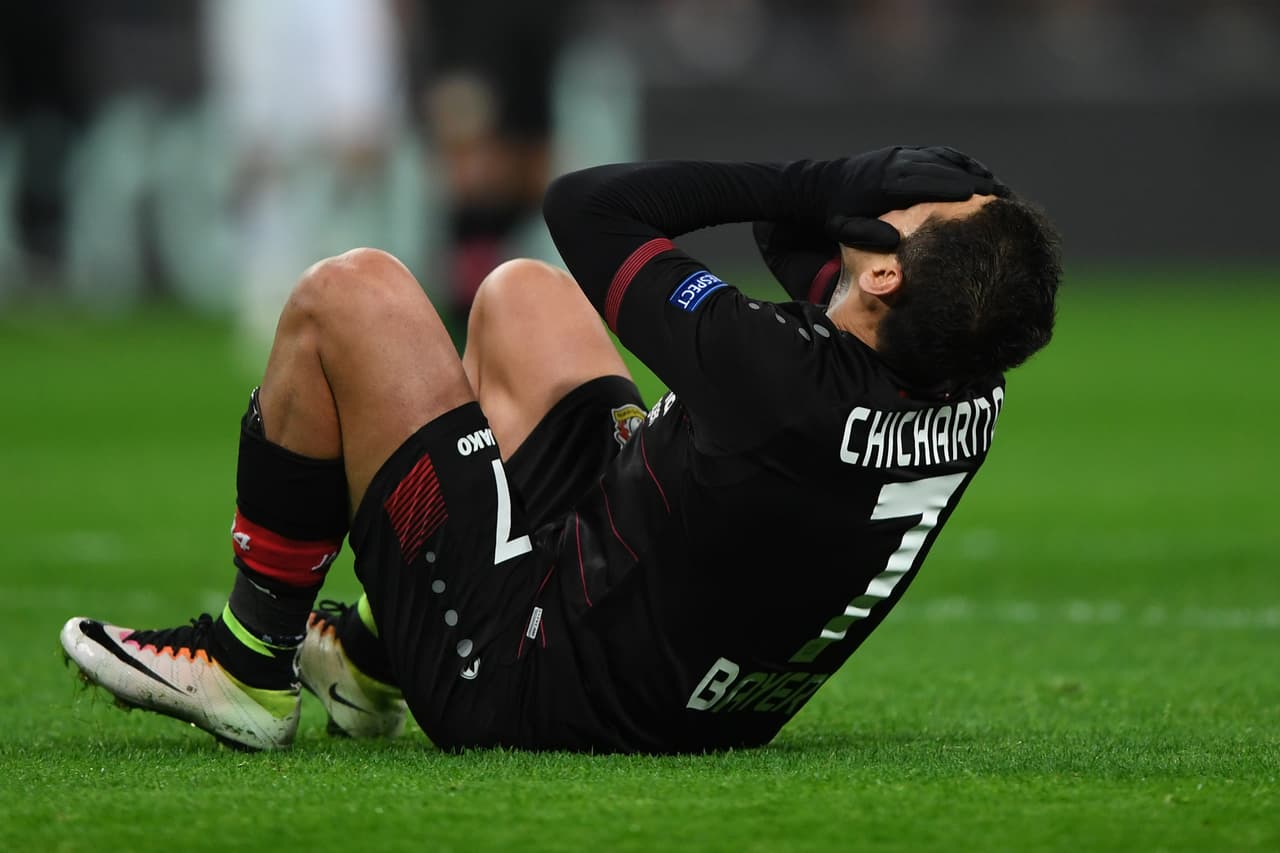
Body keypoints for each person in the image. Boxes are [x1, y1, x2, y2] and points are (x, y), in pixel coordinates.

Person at [60, 146, 1061, 753]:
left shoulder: (772, 376)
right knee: (521, 297)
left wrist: (843, 177)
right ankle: (370, 663)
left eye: (930, 210)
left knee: (348, 294)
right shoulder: (968, 369)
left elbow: (590, 202)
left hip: (526, 683)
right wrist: (887, 199)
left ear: (884, 274)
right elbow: (801, 242)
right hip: (694, 688)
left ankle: (246, 662)